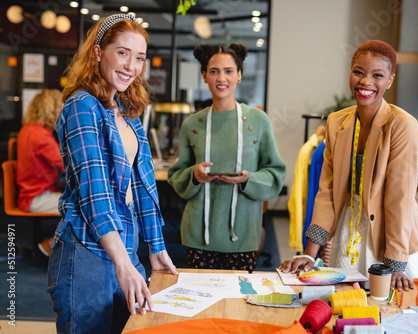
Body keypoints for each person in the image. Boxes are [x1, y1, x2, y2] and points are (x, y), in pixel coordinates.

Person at [48, 13, 178, 333]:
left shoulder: (127, 112)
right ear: (97, 53)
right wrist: (124, 263)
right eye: (122, 53)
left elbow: (143, 187)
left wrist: (156, 248)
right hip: (86, 251)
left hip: (125, 246)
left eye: (139, 58)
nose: (130, 66)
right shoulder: (81, 107)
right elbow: (95, 193)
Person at [279, 40, 418, 292]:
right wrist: (310, 254)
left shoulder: (403, 125)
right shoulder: (337, 122)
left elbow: (399, 200)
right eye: (359, 72)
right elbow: (327, 192)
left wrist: (396, 264)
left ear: (390, 80)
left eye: (377, 75)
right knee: (346, 302)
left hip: (392, 232)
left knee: (390, 308)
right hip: (350, 224)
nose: (366, 82)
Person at [168, 44, 286, 272]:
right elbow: (176, 176)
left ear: (239, 75)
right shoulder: (192, 124)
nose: (221, 78)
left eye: (229, 71)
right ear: (204, 75)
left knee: (238, 302)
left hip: (242, 233)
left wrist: (247, 179)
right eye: (213, 71)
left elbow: (275, 172)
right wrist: (194, 174)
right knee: (202, 301)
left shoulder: (258, 121)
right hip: (198, 235)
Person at [16, 89, 64, 256]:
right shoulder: (41, 136)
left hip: (30, 194)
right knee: (83, 206)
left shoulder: (28, 129)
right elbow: (65, 164)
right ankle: (49, 245)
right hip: (36, 197)